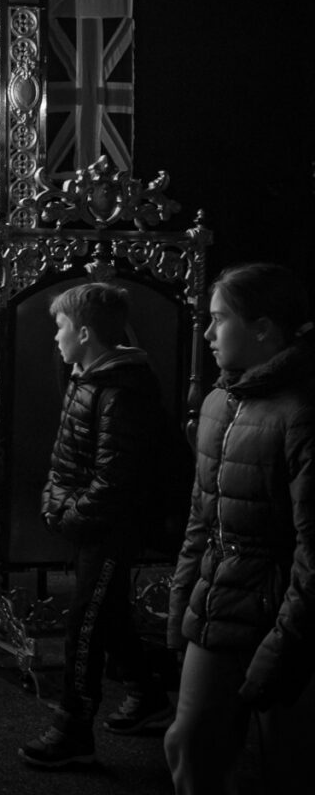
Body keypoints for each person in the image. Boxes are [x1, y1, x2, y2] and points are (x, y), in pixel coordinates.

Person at [164, 263, 315, 795]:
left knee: (291, 766)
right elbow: (200, 520)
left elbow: (313, 553)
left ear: (263, 329)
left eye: (218, 320)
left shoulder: (302, 411)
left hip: (288, 616)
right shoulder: (215, 404)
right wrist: (183, 601)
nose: (206, 334)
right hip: (220, 603)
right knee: (189, 746)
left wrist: (282, 647)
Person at [19, 281, 174, 769]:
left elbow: (115, 477)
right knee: (107, 613)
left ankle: (73, 726)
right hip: (95, 522)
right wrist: (55, 499)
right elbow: (72, 461)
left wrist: (68, 513)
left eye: (61, 327)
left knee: (85, 622)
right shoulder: (91, 377)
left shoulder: (120, 389)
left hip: (111, 527)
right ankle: (148, 696)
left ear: (84, 332)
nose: (56, 337)